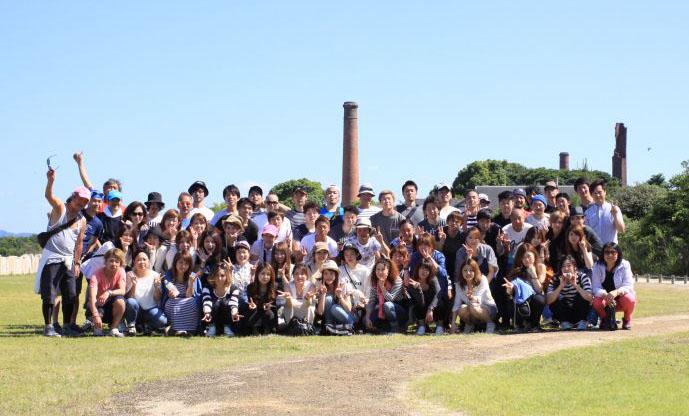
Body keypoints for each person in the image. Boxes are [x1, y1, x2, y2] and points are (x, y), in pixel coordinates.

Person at [36, 168, 89, 337]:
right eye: (79, 200)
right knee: (49, 293)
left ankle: (67, 326)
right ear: (73, 197)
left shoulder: (82, 220)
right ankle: (48, 326)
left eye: (84, 203)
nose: (81, 204)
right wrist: (50, 181)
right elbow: (49, 196)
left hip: (68, 260)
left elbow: (79, 243)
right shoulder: (60, 208)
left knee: (71, 294)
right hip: (52, 256)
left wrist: (77, 262)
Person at [591, 243, 636, 330]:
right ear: (603, 254)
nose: (610, 255)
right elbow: (595, 287)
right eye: (607, 252)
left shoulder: (625, 265)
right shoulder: (597, 265)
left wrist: (616, 292)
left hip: (621, 299)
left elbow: (628, 285)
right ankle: (605, 319)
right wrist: (605, 295)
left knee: (629, 299)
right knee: (596, 301)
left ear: (618, 254)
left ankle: (627, 319)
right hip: (605, 300)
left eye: (613, 252)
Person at [502, 243, 546, 330]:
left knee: (540, 299)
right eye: (523, 257)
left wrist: (533, 273)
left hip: (534, 300)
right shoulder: (516, 270)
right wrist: (510, 289)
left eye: (529, 256)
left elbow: (538, 290)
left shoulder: (541, 267)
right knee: (510, 300)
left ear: (534, 255)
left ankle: (534, 324)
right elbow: (510, 293)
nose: (526, 259)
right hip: (520, 302)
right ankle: (520, 324)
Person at [124, 250, 167, 335]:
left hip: (151, 309)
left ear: (149, 262)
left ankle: (146, 326)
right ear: (134, 262)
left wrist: (157, 287)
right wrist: (133, 286)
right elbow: (129, 298)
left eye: (144, 259)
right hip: (136, 310)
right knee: (131, 302)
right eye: (139, 260)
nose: (142, 262)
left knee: (163, 321)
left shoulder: (155, 275)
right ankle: (132, 325)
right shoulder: (129, 274)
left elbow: (157, 298)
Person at [546, 255, 593, 330]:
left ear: (574, 267)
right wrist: (561, 286)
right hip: (564, 313)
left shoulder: (582, 277)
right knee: (556, 296)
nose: (566, 269)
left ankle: (582, 321)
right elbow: (548, 300)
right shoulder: (555, 279)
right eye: (563, 266)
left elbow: (590, 298)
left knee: (581, 294)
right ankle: (564, 322)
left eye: (569, 266)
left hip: (580, 311)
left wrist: (575, 285)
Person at [88, 248, 127, 337]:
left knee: (121, 301)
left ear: (120, 263)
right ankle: (97, 327)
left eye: (117, 261)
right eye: (111, 261)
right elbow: (92, 297)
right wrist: (95, 315)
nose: (114, 264)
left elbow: (122, 290)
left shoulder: (121, 272)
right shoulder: (96, 274)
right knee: (96, 306)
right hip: (99, 305)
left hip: (113, 305)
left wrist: (108, 292)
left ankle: (114, 328)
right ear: (105, 262)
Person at [161, 252, 202, 336]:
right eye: (180, 262)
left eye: (186, 264)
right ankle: (175, 329)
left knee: (191, 302)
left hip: (186, 302)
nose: (183, 266)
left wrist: (190, 283)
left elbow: (189, 296)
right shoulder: (169, 275)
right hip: (173, 302)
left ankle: (188, 329)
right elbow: (165, 294)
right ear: (175, 262)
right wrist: (170, 294)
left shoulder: (192, 275)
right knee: (171, 302)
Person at [452, 258, 497, 334]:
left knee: (473, 306)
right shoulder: (458, 285)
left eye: (471, 270)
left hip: (488, 308)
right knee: (461, 309)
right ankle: (469, 325)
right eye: (465, 270)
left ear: (475, 271)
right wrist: (453, 323)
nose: (468, 273)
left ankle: (490, 324)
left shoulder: (483, 279)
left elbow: (479, 298)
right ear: (461, 272)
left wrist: (472, 297)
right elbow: (456, 305)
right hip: (471, 309)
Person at [365, 258, 407, 333]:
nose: (380, 272)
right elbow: (372, 301)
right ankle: (383, 328)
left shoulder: (397, 280)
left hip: (398, 310)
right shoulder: (375, 282)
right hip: (382, 309)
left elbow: (390, 299)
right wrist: (367, 317)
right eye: (378, 269)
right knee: (365, 320)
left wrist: (382, 287)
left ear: (388, 270)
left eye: (383, 269)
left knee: (387, 305)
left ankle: (396, 328)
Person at [406, 259, 447, 335]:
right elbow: (420, 302)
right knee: (416, 304)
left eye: (426, 269)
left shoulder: (433, 279)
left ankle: (440, 325)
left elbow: (438, 294)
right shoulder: (413, 282)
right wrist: (418, 289)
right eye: (421, 268)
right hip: (422, 307)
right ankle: (422, 326)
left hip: (433, 307)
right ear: (418, 269)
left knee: (440, 302)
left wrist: (430, 309)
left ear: (430, 272)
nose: (423, 271)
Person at [201, 265, 241, 337]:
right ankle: (211, 327)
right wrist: (207, 313)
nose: (219, 278)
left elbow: (234, 303)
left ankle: (227, 328)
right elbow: (207, 302)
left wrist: (234, 313)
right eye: (216, 275)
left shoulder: (233, 288)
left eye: (222, 275)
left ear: (227, 276)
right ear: (213, 276)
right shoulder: (207, 288)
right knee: (215, 304)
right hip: (212, 317)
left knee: (225, 303)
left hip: (228, 318)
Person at [338, 243, 370, 326]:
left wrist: (365, 302)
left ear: (357, 254)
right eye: (346, 254)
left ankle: (354, 323)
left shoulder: (365, 270)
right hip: (345, 305)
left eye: (352, 254)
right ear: (343, 257)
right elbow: (340, 290)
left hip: (361, 306)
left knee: (365, 321)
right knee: (334, 310)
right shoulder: (340, 270)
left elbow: (368, 291)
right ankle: (352, 324)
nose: (349, 257)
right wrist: (355, 292)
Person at [585, 179, 625, 244]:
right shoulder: (588, 212)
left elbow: (621, 230)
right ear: (591, 195)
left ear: (605, 192)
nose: (597, 195)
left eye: (600, 192)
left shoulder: (614, 209)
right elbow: (586, 233)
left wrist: (615, 215)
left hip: (611, 250)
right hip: (595, 250)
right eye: (595, 193)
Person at [316, 260, 354, 327]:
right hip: (331, 319)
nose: (328, 276)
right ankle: (329, 326)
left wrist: (340, 296)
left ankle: (351, 326)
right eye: (326, 273)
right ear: (322, 275)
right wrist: (323, 294)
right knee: (328, 299)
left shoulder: (343, 285)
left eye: (331, 273)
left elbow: (348, 309)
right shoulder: (320, 286)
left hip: (347, 316)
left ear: (336, 275)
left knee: (335, 308)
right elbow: (320, 312)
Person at [245, 263, 278, 335]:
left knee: (269, 313)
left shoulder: (275, 286)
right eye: (262, 273)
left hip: (269, 313)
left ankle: (268, 330)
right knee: (250, 310)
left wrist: (270, 306)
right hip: (256, 311)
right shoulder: (250, 287)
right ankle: (254, 330)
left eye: (268, 274)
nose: (265, 277)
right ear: (257, 274)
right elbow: (250, 302)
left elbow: (276, 305)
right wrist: (253, 305)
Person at [497, 208, 533, 272]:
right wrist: (501, 244)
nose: (517, 221)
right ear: (510, 219)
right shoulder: (505, 230)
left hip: (528, 258)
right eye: (514, 219)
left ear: (524, 218)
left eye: (519, 218)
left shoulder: (530, 229)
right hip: (512, 260)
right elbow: (501, 253)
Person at [437, 211, 464, 279]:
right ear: (447, 221)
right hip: (443, 261)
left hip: (458, 262)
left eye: (457, 222)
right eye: (451, 221)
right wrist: (442, 241)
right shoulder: (441, 231)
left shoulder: (463, 235)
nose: (454, 223)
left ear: (461, 224)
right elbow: (438, 251)